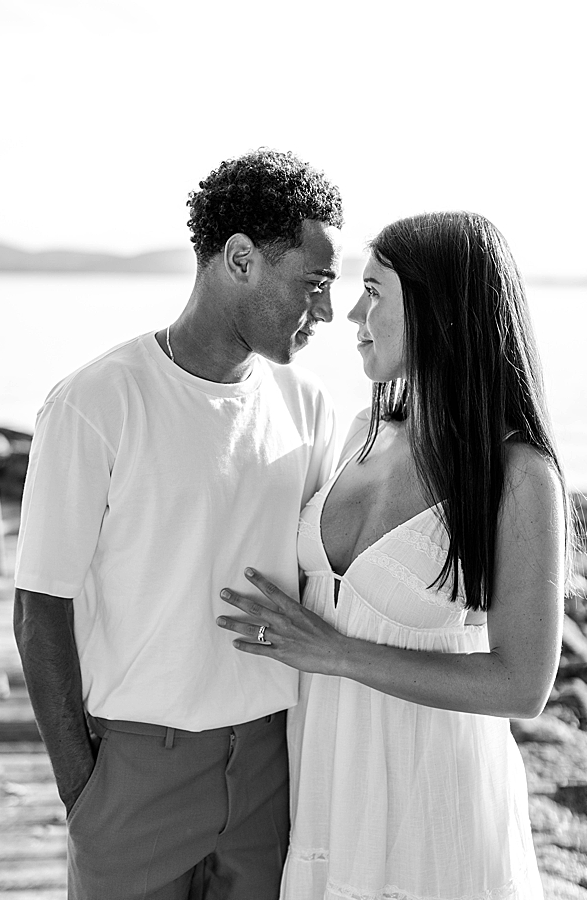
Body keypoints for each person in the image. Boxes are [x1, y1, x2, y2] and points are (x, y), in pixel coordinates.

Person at [13, 148, 344, 899]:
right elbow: (39, 610)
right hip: (134, 775)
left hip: (270, 768)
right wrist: (84, 797)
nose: (323, 311)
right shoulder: (95, 402)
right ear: (239, 259)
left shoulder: (310, 409)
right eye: (313, 284)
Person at [216, 211, 566, 898]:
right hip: (327, 794)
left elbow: (524, 685)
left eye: (374, 291)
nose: (351, 312)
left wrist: (337, 653)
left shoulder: (517, 474)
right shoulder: (358, 434)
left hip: (436, 811)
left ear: (437, 310)